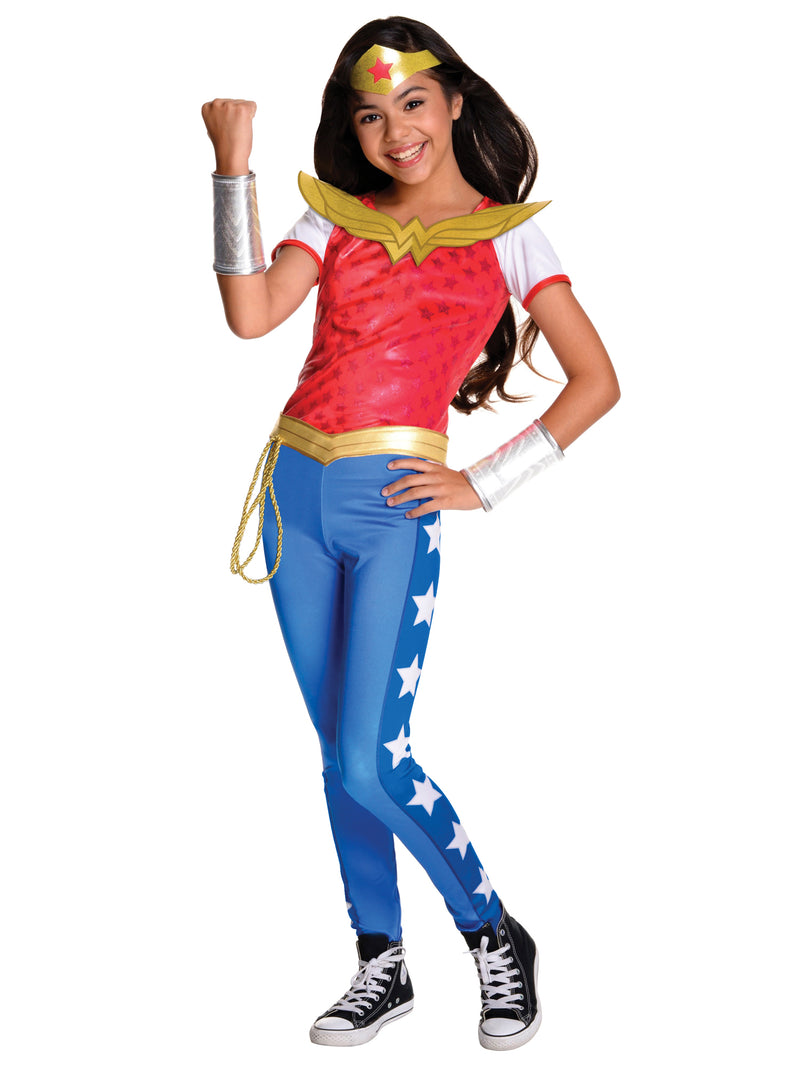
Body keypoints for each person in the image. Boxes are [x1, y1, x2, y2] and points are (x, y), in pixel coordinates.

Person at [202, 15, 619, 1051]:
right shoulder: (333, 216)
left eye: (414, 104)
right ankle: (379, 959)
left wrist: (482, 483)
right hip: (295, 495)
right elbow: (251, 316)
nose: (396, 132)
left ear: (455, 101)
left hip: (394, 510)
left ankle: (493, 930)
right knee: (337, 755)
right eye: (370, 116)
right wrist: (232, 171)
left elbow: (597, 380)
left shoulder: (507, 233)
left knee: (370, 757)